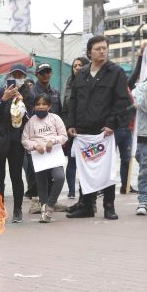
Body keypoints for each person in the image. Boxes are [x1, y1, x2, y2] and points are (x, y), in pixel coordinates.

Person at [66, 35, 132, 220]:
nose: (102, 51)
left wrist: (112, 124)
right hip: (83, 131)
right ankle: (87, 205)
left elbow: (122, 101)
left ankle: (109, 206)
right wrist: (71, 124)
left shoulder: (116, 72)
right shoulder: (82, 74)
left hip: (104, 131)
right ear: (89, 52)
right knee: (85, 167)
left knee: (106, 168)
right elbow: (74, 101)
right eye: (98, 49)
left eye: (104, 48)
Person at [0, 63, 34, 223]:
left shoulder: (29, 95)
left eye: (20, 76)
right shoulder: (1, 92)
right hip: (0, 140)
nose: (17, 79)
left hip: (17, 141)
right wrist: (4, 99)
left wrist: (21, 103)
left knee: (16, 176)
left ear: (25, 78)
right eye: (14, 75)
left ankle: (17, 210)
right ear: (9, 77)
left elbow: (30, 119)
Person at [21, 94, 68, 223]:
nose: (41, 107)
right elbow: (25, 140)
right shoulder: (30, 122)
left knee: (59, 177)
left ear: (49, 106)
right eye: (38, 104)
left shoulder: (55, 118)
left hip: (54, 154)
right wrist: (35, 145)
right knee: (41, 184)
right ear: (34, 106)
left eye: (44, 104)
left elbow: (64, 136)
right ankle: (44, 212)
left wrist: (53, 141)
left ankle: (51, 204)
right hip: (38, 156)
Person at [63, 57, 90, 200]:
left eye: (81, 65)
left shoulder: (91, 82)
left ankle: (87, 190)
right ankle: (72, 191)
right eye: (75, 66)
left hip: (88, 129)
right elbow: (65, 108)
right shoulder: (69, 83)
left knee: (88, 161)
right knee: (72, 161)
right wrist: (68, 127)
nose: (78, 68)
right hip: (72, 129)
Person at [133, 56, 147, 216]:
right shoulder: (140, 87)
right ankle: (144, 200)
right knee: (145, 169)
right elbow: (143, 108)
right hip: (146, 136)